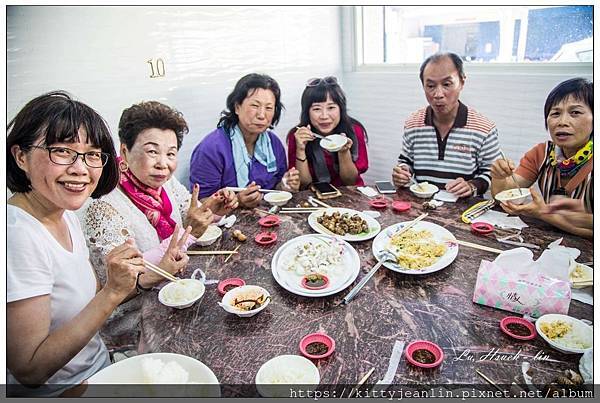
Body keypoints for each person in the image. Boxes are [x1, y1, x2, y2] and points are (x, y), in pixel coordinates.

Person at [6, 91, 183, 396]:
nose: (80, 169)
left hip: (101, 367)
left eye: (92, 154)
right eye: (61, 151)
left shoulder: (64, 213)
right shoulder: (17, 235)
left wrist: (125, 283)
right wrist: (113, 292)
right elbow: (30, 370)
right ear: (20, 156)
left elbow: (94, 300)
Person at [82, 101, 238, 349]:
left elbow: (190, 211)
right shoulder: (103, 208)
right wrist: (189, 233)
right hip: (137, 318)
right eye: (152, 151)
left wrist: (213, 208)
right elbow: (119, 287)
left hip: (177, 290)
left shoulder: (165, 183)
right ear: (125, 150)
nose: (163, 163)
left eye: (171, 153)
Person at [491, 78, 593, 238]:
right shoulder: (542, 153)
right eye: (555, 113)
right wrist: (498, 177)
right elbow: (505, 195)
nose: (562, 122)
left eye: (575, 112)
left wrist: (544, 213)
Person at [392, 52, 501, 198]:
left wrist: (472, 186)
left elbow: (491, 174)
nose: (438, 94)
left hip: (462, 210)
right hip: (421, 205)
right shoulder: (413, 124)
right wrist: (402, 172)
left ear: (462, 82)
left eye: (447, 84)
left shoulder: (484, 128)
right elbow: (406, 162)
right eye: (430, 86)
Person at [189, 73, 300, 208]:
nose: (261, 115)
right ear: (237, 107)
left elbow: (274, 189)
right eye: (255, 105)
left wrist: (284, 185)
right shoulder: (211, 149)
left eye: (269, 108)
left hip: (268, 216)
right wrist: (237, 201)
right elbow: (200, 203)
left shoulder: (274, 144)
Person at [287, 76, 369, 188]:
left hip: (351, 194)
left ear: (341, 108)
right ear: (307, 112)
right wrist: (301, 149)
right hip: (315, 196)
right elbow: (303, 184)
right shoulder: (297, 136)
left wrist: (343, 153)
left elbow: (350, 181)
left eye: (331, 108)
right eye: (316, 109)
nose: (324, 116)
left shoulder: (354, 131)